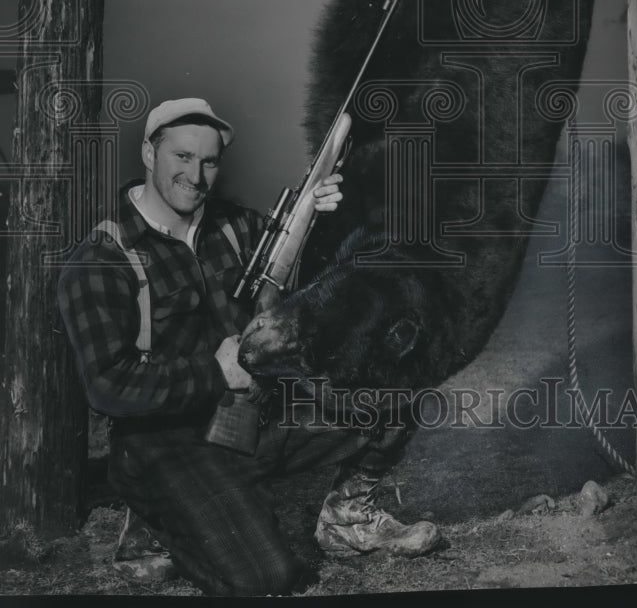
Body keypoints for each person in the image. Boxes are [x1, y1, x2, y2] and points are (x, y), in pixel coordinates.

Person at [58, 98, 439, 597]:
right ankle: (158, 518)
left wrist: (324, 219)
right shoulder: (101, 259)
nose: (196, 175)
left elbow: (305, 289)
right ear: (149, 155)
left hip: (257, 414)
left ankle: (347, 518)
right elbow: (109, 386)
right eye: (182, 157)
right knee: (267, 578)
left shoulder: (238, 227)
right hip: (166, 441)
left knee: (392, 398)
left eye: (209, 161)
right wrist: (215, 373)